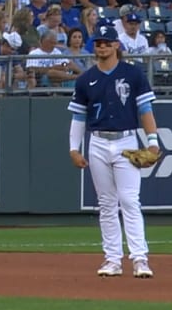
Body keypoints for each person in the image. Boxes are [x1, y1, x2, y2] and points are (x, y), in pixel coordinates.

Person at [67, 24, 157, 279]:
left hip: (126, 141)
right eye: (98, 42)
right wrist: (74, 148)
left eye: (107, 42)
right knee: (106, 204)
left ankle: (140, 259)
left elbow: (145, 110)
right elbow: (78, 117)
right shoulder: (86, 79)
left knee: (129, 200)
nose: (102, 46)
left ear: (117, 45)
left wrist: (153, 141)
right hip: (97, 142)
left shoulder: (133, 74)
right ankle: (113, 260)